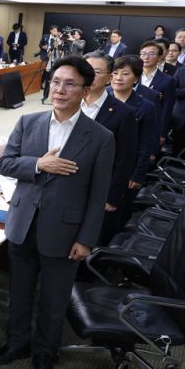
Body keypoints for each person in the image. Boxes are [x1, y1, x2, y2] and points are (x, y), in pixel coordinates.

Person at [0, 55, 114, 369]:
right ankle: (17, 343)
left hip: (65, 231)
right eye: (56, 81)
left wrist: (86, 239)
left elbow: (98, 194)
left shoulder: (100, 137)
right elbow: (6, 163)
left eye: (69, 83)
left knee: (54, 299)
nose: (59, 89)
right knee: (20, 291)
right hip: (23, 224)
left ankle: (45, 353)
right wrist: (39, 164)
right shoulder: (29, 122)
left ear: (85, 90)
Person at [83, 52, 138, 243]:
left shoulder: (123, 113)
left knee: (90, 237)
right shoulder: (68, 102)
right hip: (67, 184)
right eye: (85, 70)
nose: (88, 75)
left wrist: (113, 196)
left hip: (99, 187)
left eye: (96, 72)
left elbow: (125, 158)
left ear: (109, 77)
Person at [107, 55, 158, 223]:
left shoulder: (145, 107)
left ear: (136, 78)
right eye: (115, 73)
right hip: (101, 162)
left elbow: (146, 144)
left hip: (126, 167)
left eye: (125, 74)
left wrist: (138, 175)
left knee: (116, 212)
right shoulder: (101, 97)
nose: (118, 78)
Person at [139, 41, 176, 146]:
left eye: (151, 54)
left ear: (160, 58)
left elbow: (167, 109)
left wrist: (162, 133)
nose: (146, 57)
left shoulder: (168, 80)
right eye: (143, 54)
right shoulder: (132, 76)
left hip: (152, 125)